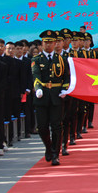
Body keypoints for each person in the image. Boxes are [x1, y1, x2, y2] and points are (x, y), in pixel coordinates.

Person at [32, 30, 70, 166]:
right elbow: (36, 75)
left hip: (56, 96)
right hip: (42, 97)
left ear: (55, 43)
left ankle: (55, 154)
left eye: (51, 42)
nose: (48, 45)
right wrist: (38, 88)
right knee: (42, 127)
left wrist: (65, 89)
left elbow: (66, 77)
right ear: (42, 44)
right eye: (46, 42)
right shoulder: (36, 59)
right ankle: (48, 147)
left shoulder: (61, 59)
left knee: (56, 126)